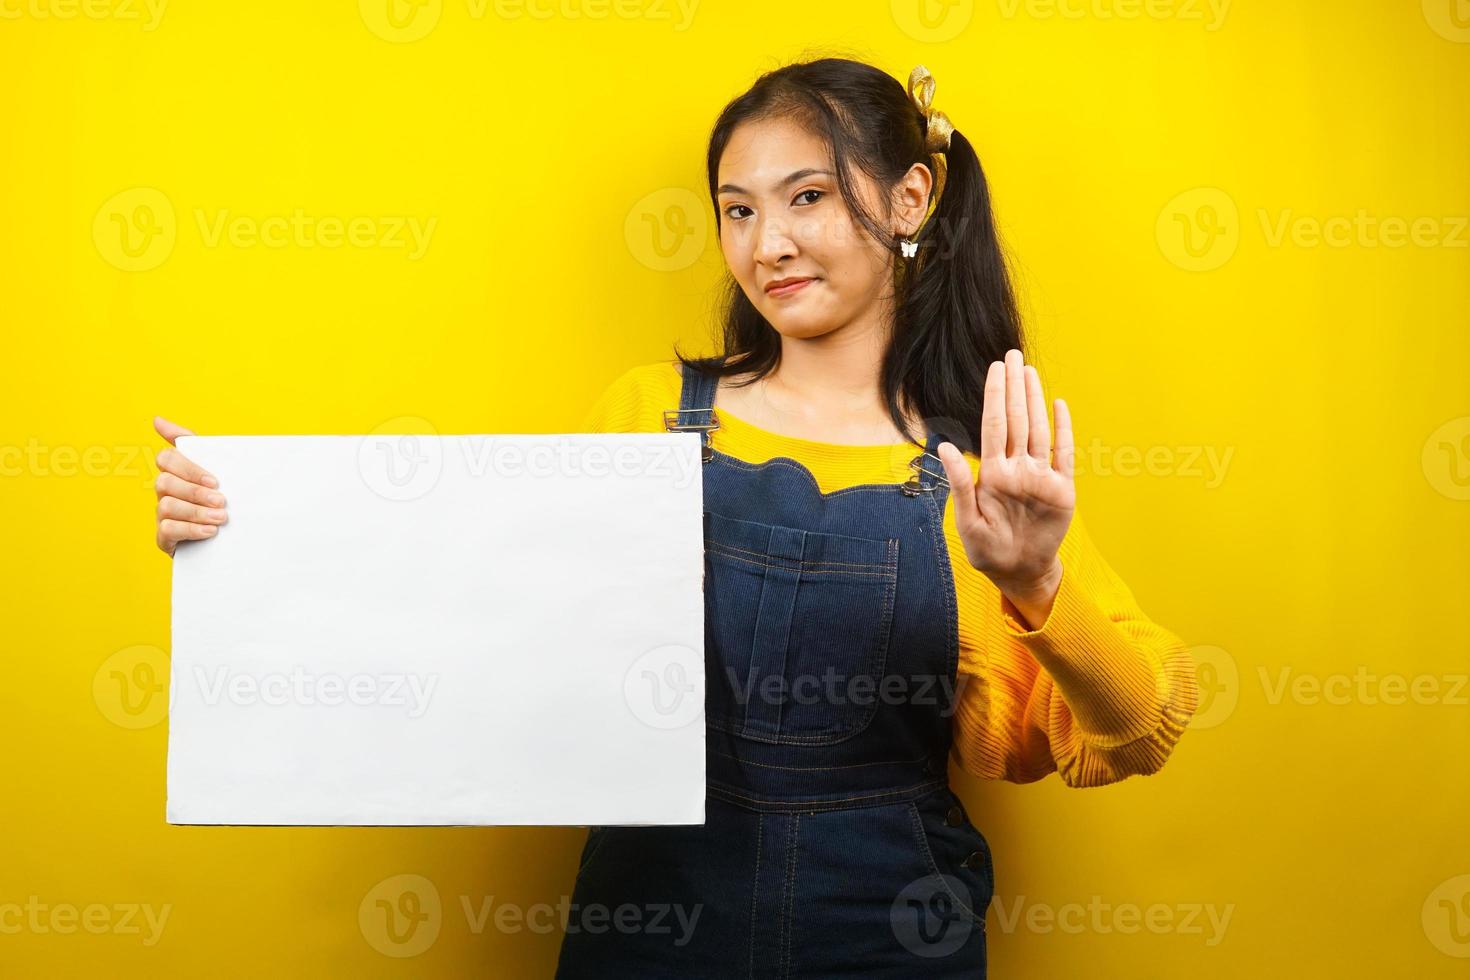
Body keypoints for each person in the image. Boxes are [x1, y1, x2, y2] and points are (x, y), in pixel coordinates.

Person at [153, 57, 1199, 979]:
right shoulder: (647, 413)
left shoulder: (978, 472)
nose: (769, 242)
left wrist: (1034, 581)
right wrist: (241, 537)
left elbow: (1140, 721)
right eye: (738, 209)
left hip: (889, 928)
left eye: (808, 196)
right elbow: (472, 617)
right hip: (649, 921)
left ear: (912, 195)